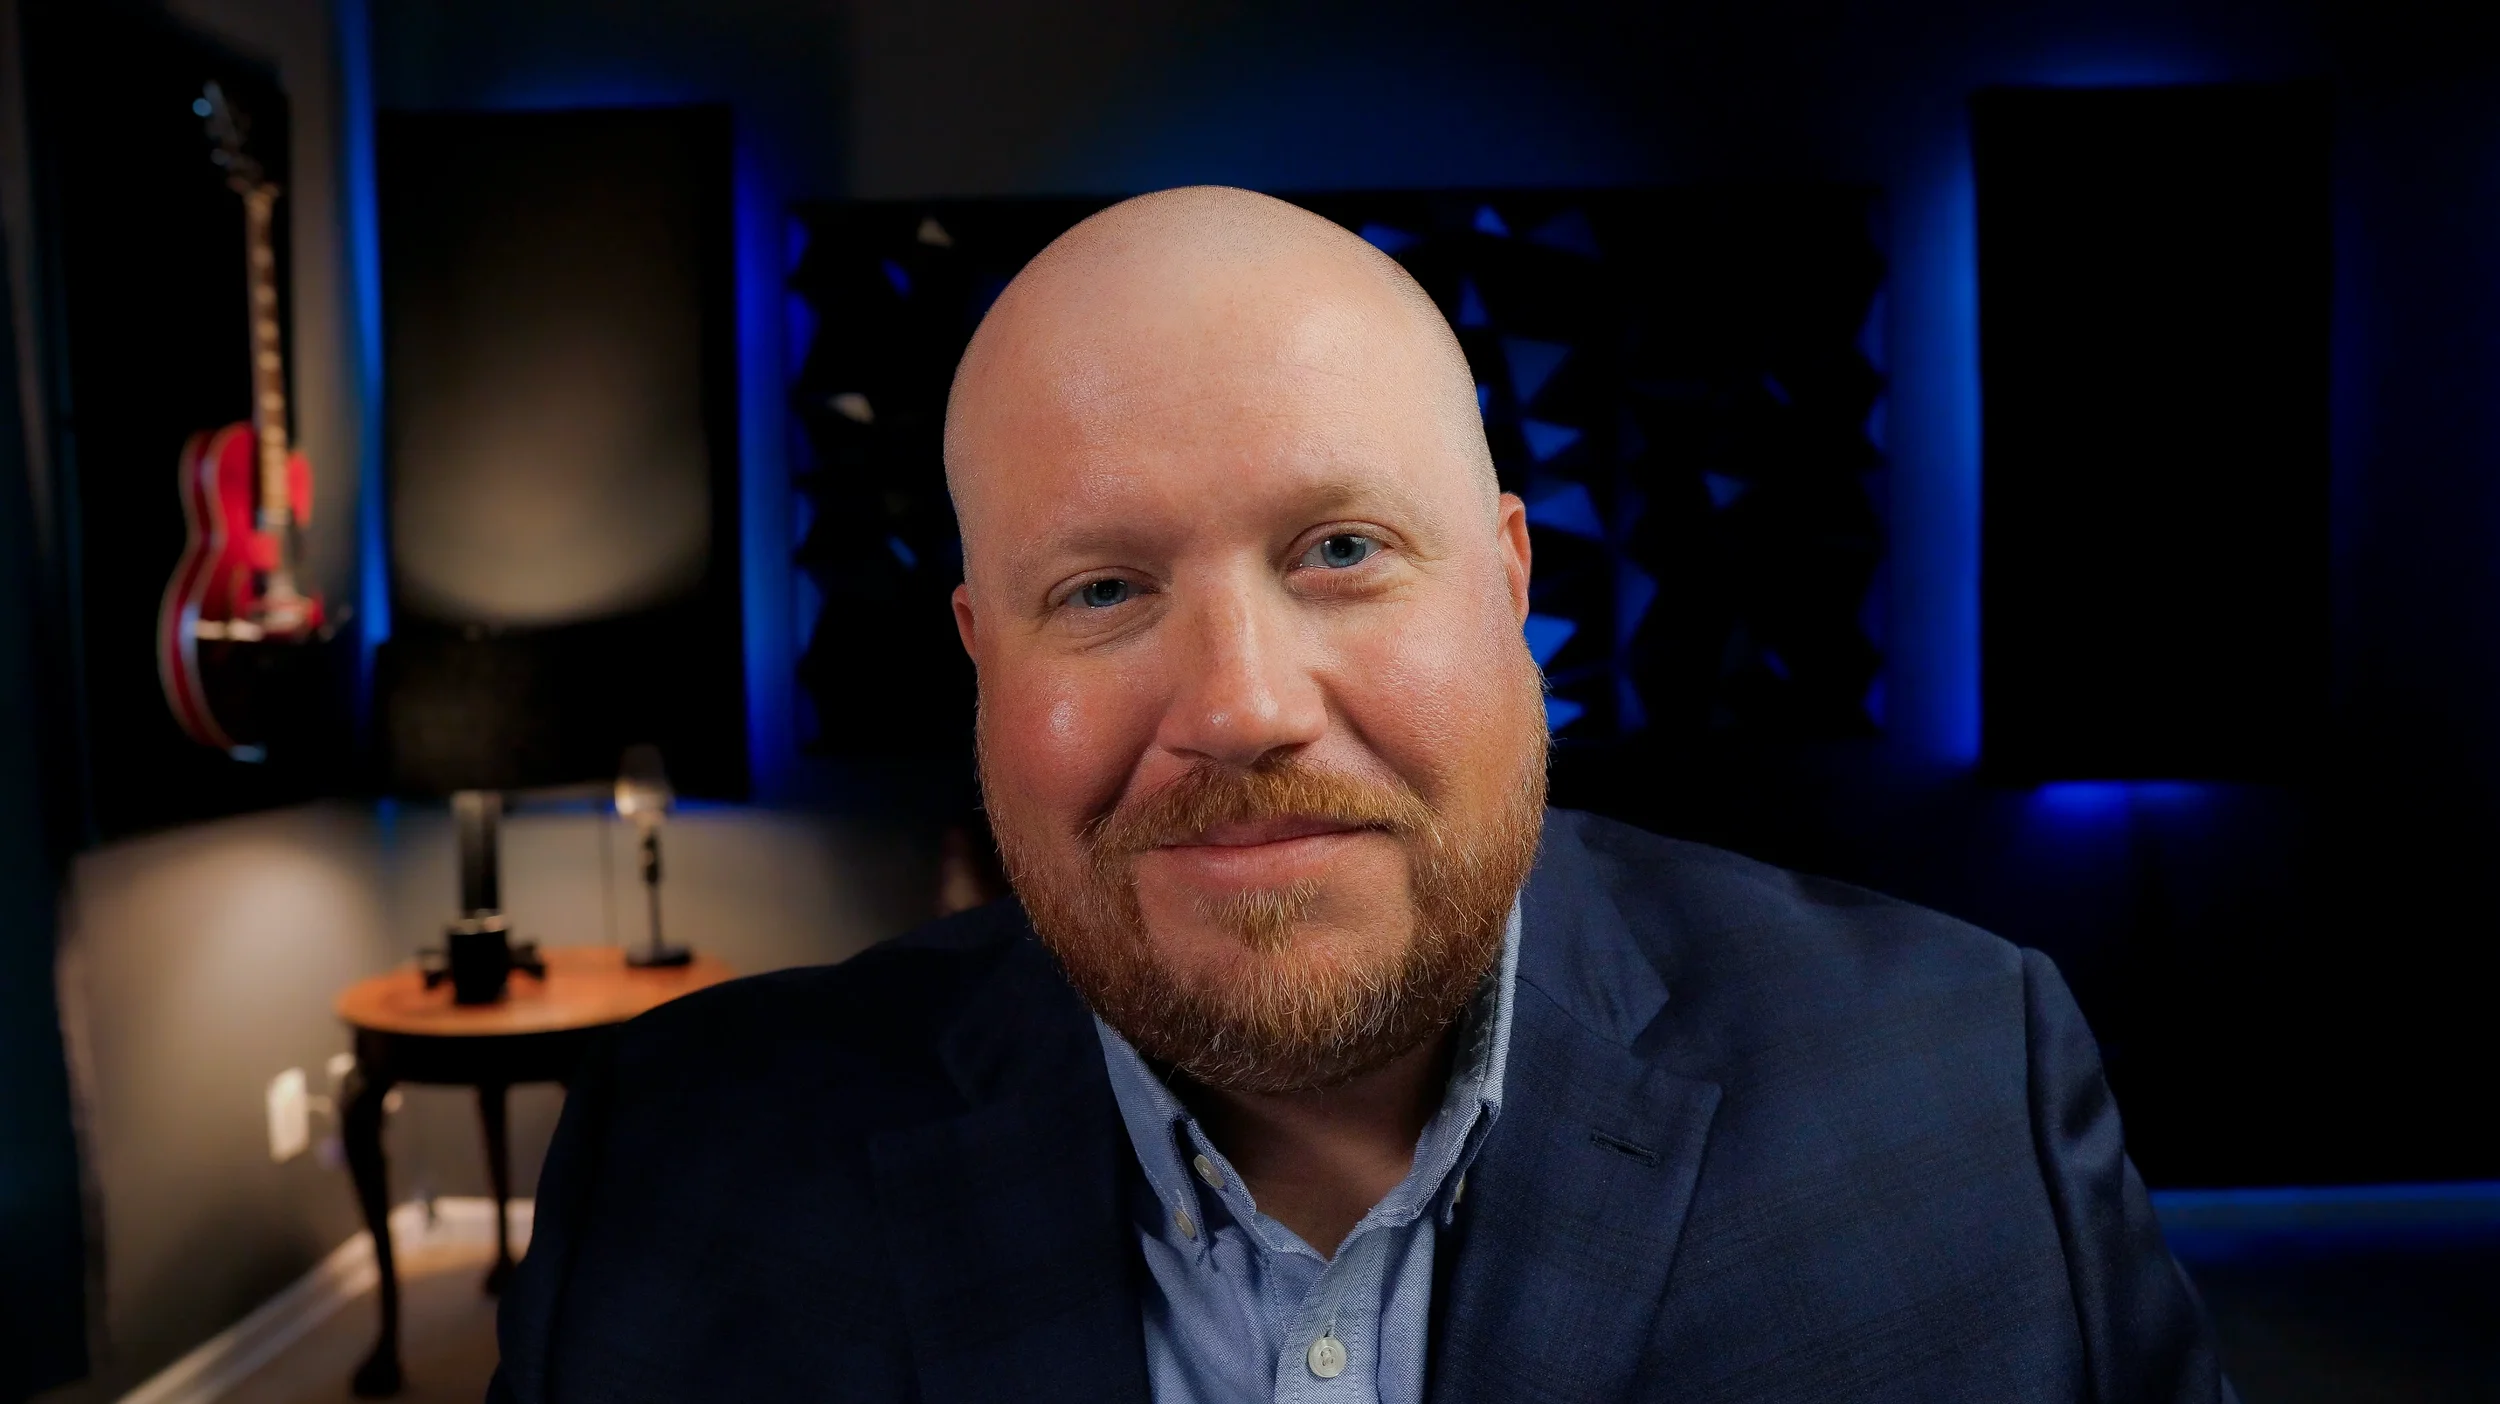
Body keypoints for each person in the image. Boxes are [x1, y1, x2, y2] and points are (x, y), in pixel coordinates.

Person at [490, 186, 2230, 1404]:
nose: (1242, 707)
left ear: (1508, 584)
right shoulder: (680, 1168)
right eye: (1100, 590)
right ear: (980, 659)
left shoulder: (1959, 1082)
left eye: (1340, 551)